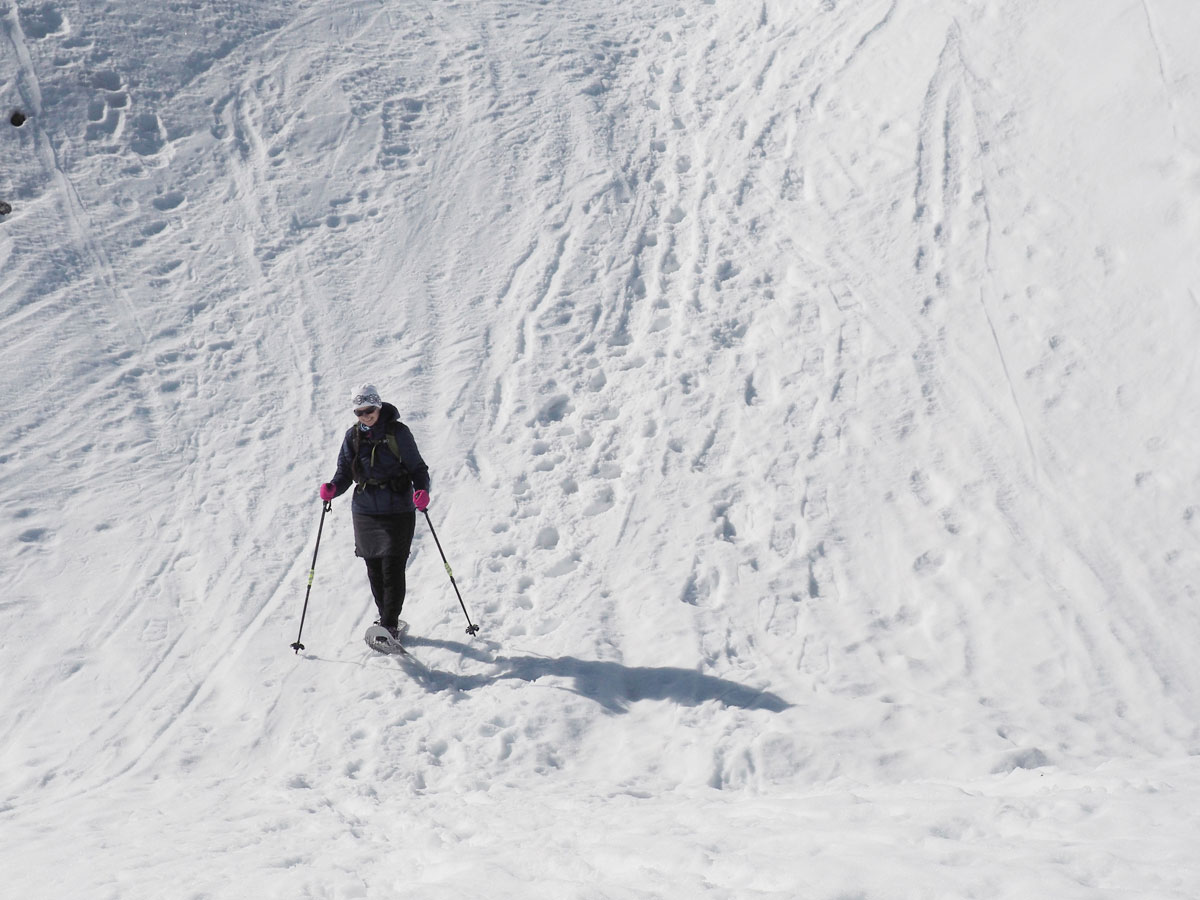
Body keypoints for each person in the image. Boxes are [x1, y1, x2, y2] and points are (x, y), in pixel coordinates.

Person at [319, 383, 431, 641]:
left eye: (369, 409)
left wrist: (422, 490)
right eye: (359, 411)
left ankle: (389, 624)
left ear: (378, 405)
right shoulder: (352, 436)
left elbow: (417, 468)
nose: (365, 415)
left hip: (398, 508)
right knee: (374, 569)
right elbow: (345, 473)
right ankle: (386, 619)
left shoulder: (399, 433)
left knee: (392, 565)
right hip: (365, 510)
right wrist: (332, 488)